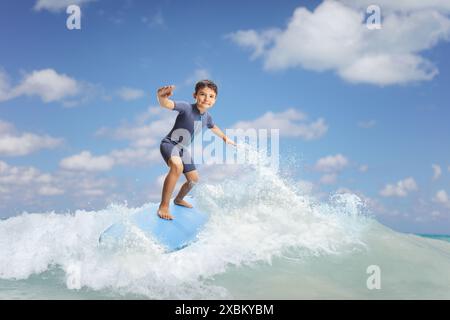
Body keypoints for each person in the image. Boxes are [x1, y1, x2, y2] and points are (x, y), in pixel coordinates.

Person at [156, 80, 236, 220]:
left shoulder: (207, 117)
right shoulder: (186, 107)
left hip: (182, 149)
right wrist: (162, 97)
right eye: (202, 94)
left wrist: (225, 138)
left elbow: (213, 127)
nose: (206, 99)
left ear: (215, 100)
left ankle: (179, 199)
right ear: (195, 95)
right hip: (170, 144)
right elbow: (168, 104)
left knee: (193, 180)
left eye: (211, 96)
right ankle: (164, 206)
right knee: (177, 166)